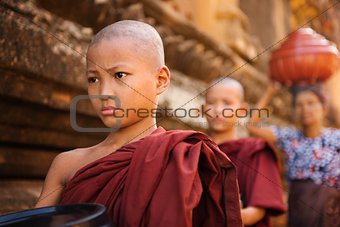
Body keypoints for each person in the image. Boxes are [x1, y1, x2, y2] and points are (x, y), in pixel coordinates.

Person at [34, 20, 243, 227]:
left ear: (160, 80)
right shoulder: (66, 165)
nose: (104, 93)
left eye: (120, 75)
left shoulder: (182, 158)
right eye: (93, 79)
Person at [247, 81, 340, 227]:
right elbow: (252, 126)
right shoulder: (289, 137)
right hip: (298, 210)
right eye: (299, 105)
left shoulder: (336, 138)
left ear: (324, 108)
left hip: (330, 212)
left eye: (311, 103)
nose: (305, 109)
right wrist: (270, 92)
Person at [204, 78, 286, 227]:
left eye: (227, 103)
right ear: (203, 108)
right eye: (211, 102)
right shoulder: (196, 152)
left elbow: (256, 212)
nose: (218, 109)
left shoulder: (255, 151)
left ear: (241, 110)